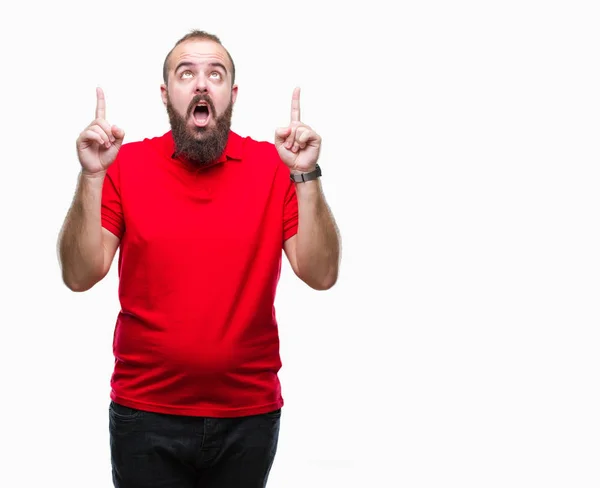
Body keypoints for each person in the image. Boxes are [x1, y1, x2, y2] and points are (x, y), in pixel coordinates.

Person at [57, 30, 340, 488]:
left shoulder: (275, 167)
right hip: (144, 414)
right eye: (187, 74)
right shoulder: (124, 165)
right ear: (167, 94)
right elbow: (78, 274)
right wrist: (92, 178)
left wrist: (305, 173)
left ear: (232, 93)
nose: (202, 84)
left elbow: (321, 274)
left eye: (216, 74)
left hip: (248, 415)